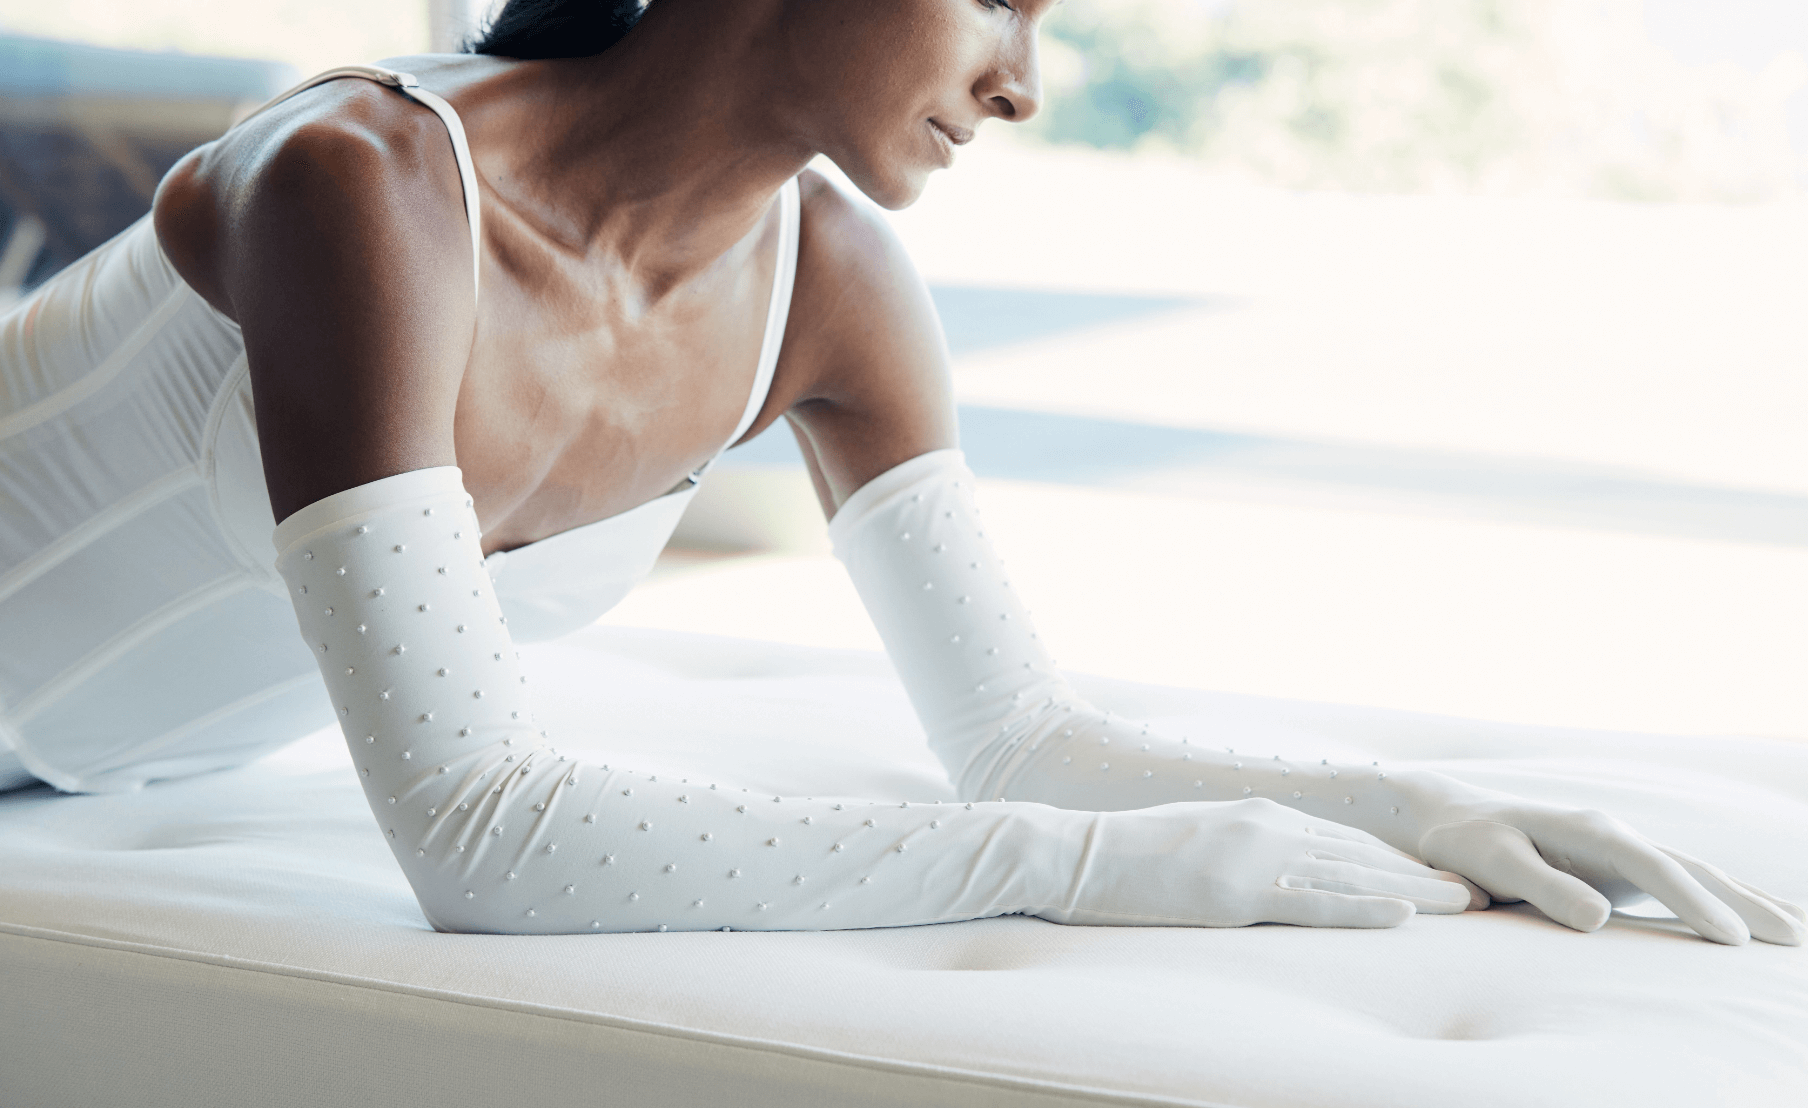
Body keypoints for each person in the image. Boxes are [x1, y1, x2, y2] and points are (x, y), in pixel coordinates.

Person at [0, 0, 1798, 945]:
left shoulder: (831, 281)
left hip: (85, 770)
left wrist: (1409, 808)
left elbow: (1020, 735)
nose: (1025, 81)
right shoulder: (363, 185)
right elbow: (480, 837)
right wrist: (1090, 874)